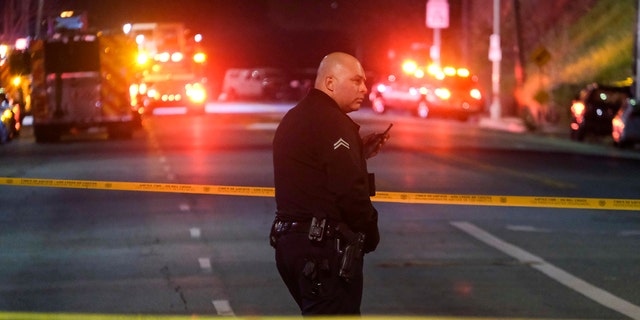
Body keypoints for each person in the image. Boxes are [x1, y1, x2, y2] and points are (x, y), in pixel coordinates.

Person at [270, 52, 389, 315]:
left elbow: (313, 168)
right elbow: (350, 191)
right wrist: (370, 232)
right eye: (357, 81)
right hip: (321, 251)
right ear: (331, 83)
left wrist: (357, 151)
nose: (365, 89)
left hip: (292, 245)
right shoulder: (333, 122)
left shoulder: (295, 117)